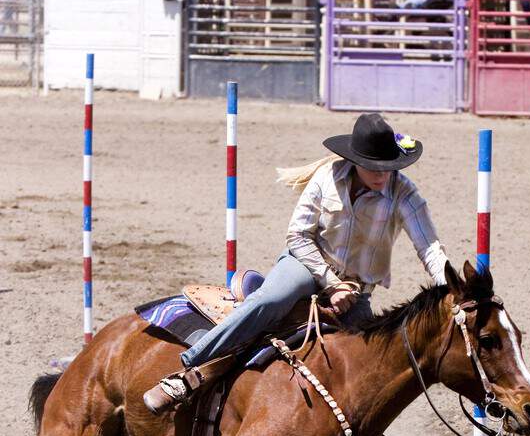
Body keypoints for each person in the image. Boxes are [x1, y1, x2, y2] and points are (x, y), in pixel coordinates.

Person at [144, 113, 449, 414]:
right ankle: (189, 368)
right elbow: (298, 236)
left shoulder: (404, 194)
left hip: (356, 289)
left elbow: (430, 248)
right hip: (306, 265)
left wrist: (452, 288)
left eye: (387, 167)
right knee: (271, 299)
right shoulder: (327, 179)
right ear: (355, 161)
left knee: (371, 359)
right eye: (373, 167)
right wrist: (331, 283)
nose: (382, 175)